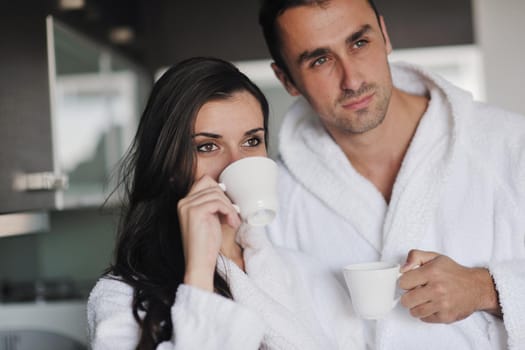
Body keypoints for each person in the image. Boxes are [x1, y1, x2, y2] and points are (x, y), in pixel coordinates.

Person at [258, 0, 525, 349]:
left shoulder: (510, 144)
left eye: (359, 42)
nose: (351, 80)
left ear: (384, 35)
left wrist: (486, 288)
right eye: (320, 60)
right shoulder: (274, 201)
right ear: (286, 79)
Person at [86, 57, 365, 349]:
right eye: (208, 146)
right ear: (169, 167)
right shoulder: (120, 296)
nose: (236, 163)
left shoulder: (302, 272)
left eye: (251, 141)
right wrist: (199, 274)